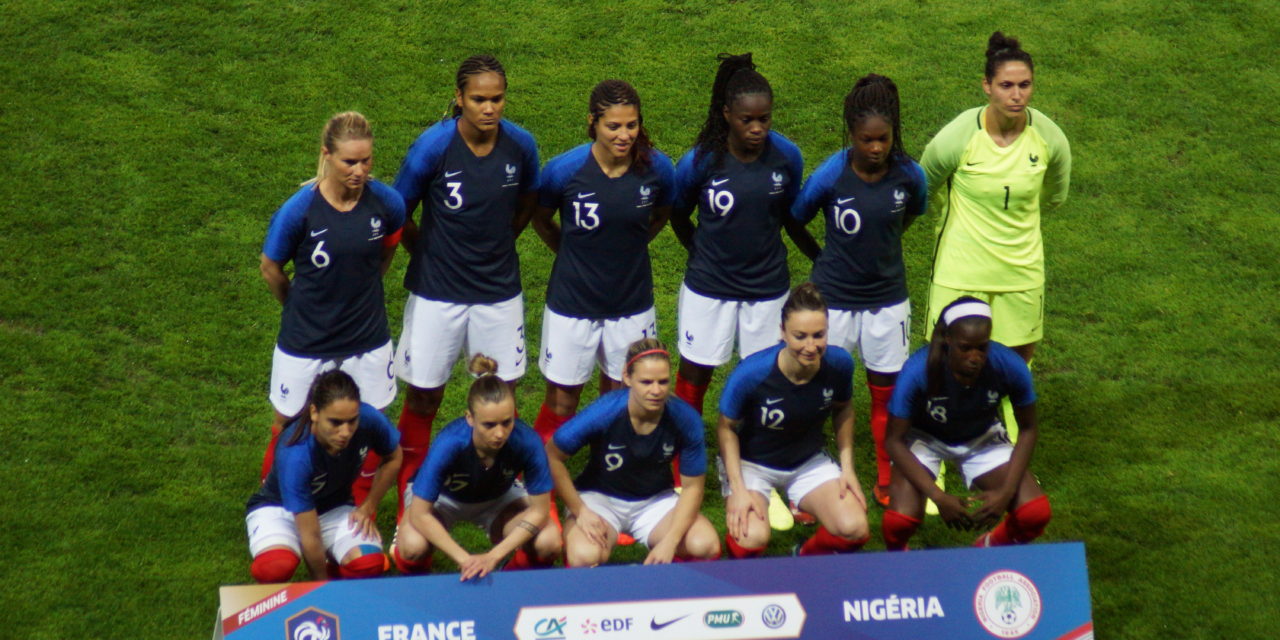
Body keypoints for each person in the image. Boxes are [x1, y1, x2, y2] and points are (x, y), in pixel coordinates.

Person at [387, 55, 541, 513]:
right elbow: (398, 211)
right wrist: (427, 253)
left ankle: (498, 494)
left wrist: (499, 244)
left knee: (501, 398)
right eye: (478, 99)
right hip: (437, 295)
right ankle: (410, 503)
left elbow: (528, 202)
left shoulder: (520, 146)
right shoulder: (432, 147)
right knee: (423, 396)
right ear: (459, 98)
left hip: (497, 295)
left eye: (497, 99)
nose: (489, 108)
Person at [920, 31, 1071, 440]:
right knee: (943, 359)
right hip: (960, 268)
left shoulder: (1049, 138)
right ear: (987, 86)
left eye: (1025, 85)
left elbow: (1054, 195)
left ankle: (1003, 444)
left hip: (1021, 269)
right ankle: (935, 448)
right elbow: (924, 184)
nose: (1016, 95)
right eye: (1006, 85)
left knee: (1016, 364)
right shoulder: (958, 136)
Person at [790, 74, 928, 507]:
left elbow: (911, 213)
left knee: (886, 391)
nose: (876, 147)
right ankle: (806, 478)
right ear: (852, 134)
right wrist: (820, 259)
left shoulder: (909, 175)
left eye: (883, 139)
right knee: (817, 387)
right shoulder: (832, 173)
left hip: (888, 302)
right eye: (867, 140)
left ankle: (887, 479)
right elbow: (795, 217)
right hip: (835, 301)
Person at [259, 111, 405, 483]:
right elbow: (270, 267)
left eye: (366, 161)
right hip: (307, 340)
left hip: (367, 338)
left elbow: (386, 253)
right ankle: (274, 496)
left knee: (369, 424)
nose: (359, 170)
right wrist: (296, 306)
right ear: (327, 155)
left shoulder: (387, 203)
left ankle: (358, 504)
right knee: (288, 424)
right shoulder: (299, 210)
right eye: (349, 162)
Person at [670, 52, 819, 417]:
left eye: (763, 118)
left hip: (766, 287)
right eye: (747, 119)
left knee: (763, 375)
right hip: (709, 286)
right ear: (727, 115)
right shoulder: (701, 160)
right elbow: (677, 212)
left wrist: (821, 258)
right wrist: (700, 251)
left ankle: (751, 445)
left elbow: (790, 217)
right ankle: (685, 445)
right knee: (695, 371)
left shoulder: (786, 156)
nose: (757, 128)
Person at [529, 79, 674, 446]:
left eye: (632, 125)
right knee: (561, 401)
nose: (624, 135)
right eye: (614, 126)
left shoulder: (657, 169)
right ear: (592, 122)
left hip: (631, 304)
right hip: (571, 303)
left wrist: (630, 245)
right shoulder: (564, 171)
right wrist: (572, 252)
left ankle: (607, 468)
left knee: (620, 397)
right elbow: (541, 219)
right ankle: (542, 474)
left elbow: (662, 214)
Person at [880, 297, 1051, 550]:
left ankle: (987, 547)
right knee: (899, 521)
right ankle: (897, 558)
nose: (975, 357)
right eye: (965, 348)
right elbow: (894, 441)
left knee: (1034, 514)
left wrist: (1005, 494)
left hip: (981, 436)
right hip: (924, 438)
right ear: (948, 340)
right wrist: (938, 497)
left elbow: (1028, 429)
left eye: (982, 347)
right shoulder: (918, 370)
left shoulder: (1009, 365)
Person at [718, 283, 871, 558]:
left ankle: (804, 556)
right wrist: (737, 488)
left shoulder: (839, 365)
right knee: (750, 537)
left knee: (854, 528)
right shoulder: (752, 374)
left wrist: (848, 469)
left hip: (807, 462)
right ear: (782, 332)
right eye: (800, 336)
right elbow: (726, 427)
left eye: (819, 335)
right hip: (752, 464)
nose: (810, 347)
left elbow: (844, 409)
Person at [547, 339, 721, 566]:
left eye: (663, 381)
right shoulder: (605, 412)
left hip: (656, 501)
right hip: (601, 499)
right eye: (646, 382)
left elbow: (692, 487)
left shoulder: (685, 419)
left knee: (705, 545)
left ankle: (668, 582)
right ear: (627, 377)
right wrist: (580, 511)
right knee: (584, 555)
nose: (656, 390)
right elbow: (552, 455)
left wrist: (670, 541)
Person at [392, 355, 561, 578]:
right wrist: (466, 560)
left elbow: (540, 511)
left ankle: (508, 579)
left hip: (499, 497)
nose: (500, 433)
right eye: (489, 425)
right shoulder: (450, 443)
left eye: (507, 422)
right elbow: (420, 514)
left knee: (549, 541)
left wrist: (493, 556)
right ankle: (423, 586)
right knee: (413, 546)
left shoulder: (527, 442)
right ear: (470, 418)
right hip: (443, 499)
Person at [245, 371, 403, 582]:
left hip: (334, 506)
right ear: (314, 413)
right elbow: (310, 534)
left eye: (352, 421)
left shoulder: (369, 419)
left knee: (368, 563)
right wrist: (321, 589)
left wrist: (368, 506)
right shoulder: (296, 455)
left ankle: (334, 566)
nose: (345, 432)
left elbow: (394, 457)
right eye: (335, 422)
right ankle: (286, 552)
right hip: (279, 509)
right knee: (275, 567)